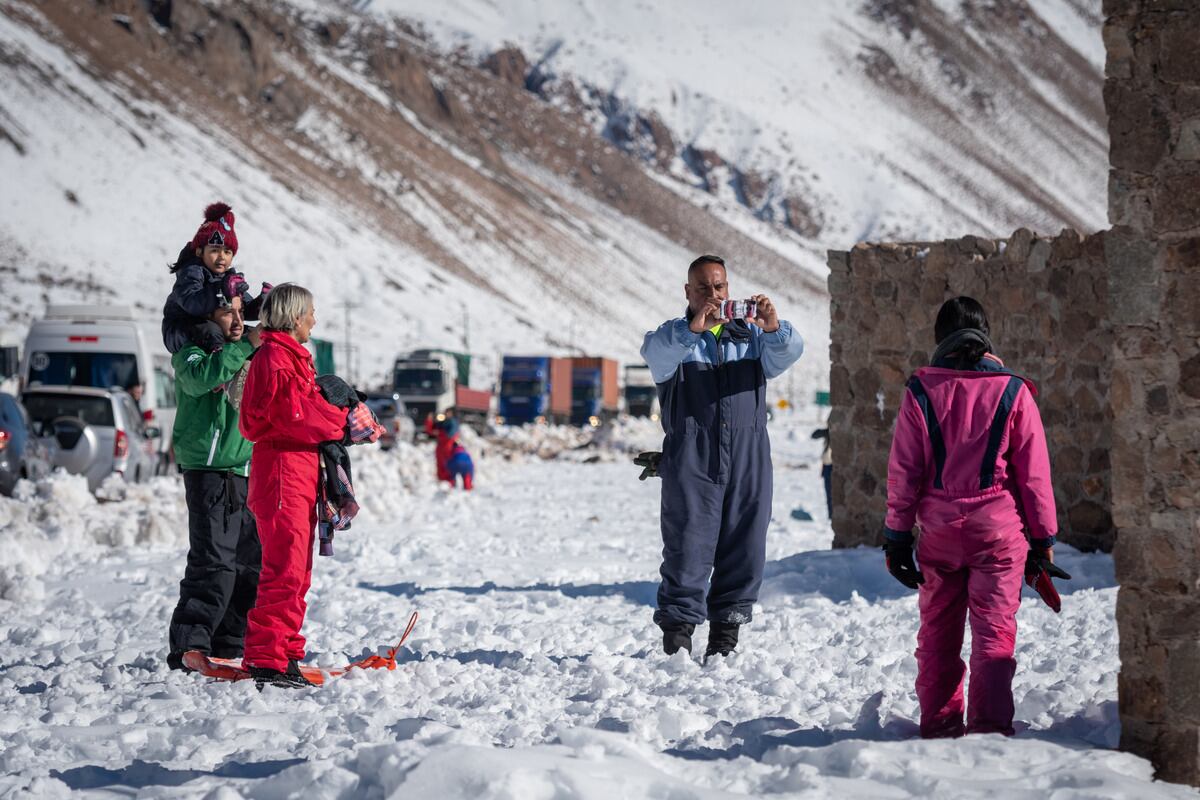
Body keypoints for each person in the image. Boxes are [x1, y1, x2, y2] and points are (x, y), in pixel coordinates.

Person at [882, 296, 1061, 738]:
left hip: (939, 535)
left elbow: (904, 473)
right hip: (998, 535)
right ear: (987, 335)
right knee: (994, 635)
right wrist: (1042, 541)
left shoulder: (921, 392)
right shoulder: (1014, 391)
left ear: (940, 338)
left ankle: (940, 727)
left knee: (938, 634)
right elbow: (1034, 476)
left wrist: (897, 538)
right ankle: (990, 729)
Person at [641, 254, 805, 659]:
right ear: (688, 292)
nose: (713, 296)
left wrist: (774, 328)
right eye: (704, 289)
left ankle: (725, 641)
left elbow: (789, 352)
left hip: (749, 459)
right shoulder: (676, 341)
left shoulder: (750, 339)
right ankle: (678, 641)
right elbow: (653, 352)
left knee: (745, 545)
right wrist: (689, 330)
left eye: (720, 287)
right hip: (692, 461)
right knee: (687, 547)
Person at [237, 284, 380, 688]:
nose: (315, 320)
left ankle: (285, 652)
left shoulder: (290, 357)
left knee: (297, 570)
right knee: (284, 568)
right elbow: (296, 414)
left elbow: (306, 408)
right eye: (311, 313)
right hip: (283, 472)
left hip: (297, 472)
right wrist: (341, 421)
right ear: (295, 316)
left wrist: (337, 412)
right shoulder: (276, 359)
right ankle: (267, 656)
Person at [167, 295, 262, 671]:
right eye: (228, 312)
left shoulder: (244, 353)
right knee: (214, 565)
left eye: (242, 313)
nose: (238, 320)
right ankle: (190, 645)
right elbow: (202, 379)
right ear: (209, 316)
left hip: (244, 471)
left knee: (249, 566)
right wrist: (244, 348)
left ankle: (228, 645)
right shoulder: (190, 353)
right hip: (208, 472)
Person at [162, 203, 269, 354]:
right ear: (200, 252)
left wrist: (264, 303)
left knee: (258, 338)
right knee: (212, 333)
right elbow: (192, 302)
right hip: (180, 329)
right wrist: (223, 290)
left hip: (215, 326)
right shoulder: (191, 272)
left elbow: (243, 308)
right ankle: (219, 367)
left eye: (227, 252)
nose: (221, 257)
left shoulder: (226, 278)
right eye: (214, 250)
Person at [435, 417, 474, 491]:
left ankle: (450, 485)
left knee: (450, 473)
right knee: (467, 476)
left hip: (455, 462)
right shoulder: (462, 448)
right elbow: (470, 463)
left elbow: (447, 460)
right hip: (467, 464)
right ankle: (468, 488)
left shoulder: (448, 444)